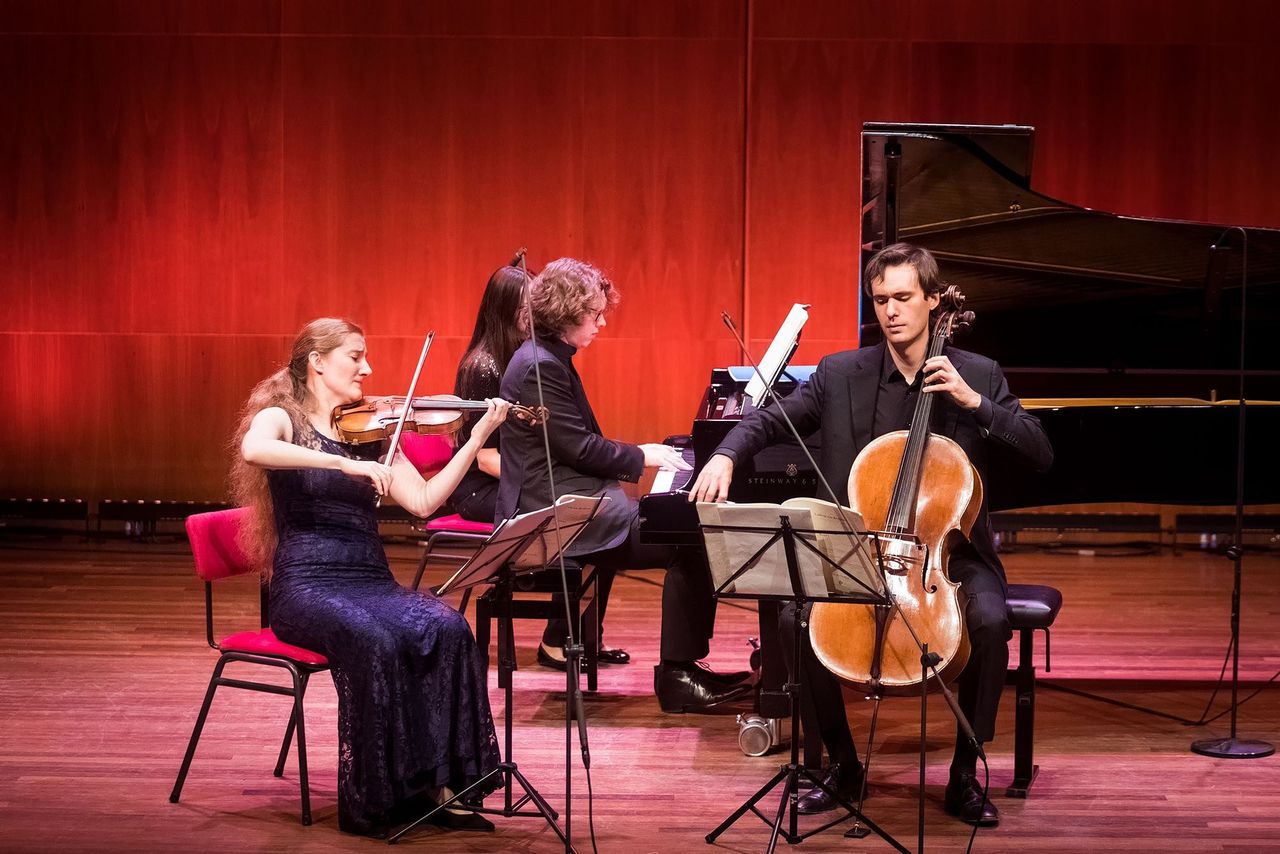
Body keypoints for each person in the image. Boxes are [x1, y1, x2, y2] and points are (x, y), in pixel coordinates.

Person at [689, 243, 1053, 826]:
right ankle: (843, 767)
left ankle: (965, 773)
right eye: (881, 299)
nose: (891, 311)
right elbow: (767, 418)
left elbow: (1039, 450)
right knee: (794, 619)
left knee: (987, 621)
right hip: (860, 549)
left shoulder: (977, 373)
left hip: (948, 555)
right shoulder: (841, 375)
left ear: (934, 301)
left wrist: (974, 402)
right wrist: (726, 456)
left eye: (904, 298)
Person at [231, 317, 511, 837]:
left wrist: (476, 439)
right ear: (317, 361)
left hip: (368, 578)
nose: (369, 367)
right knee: (375, 641)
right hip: (306, 585)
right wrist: (343, 466)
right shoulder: (282, 418)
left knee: (448, 629)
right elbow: (254, 449)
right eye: (355, 356)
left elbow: (424, 503)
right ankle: (377, 798)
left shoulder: (371, 428)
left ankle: (439, 785)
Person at [496, 257, 750, 712]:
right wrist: (643, 456)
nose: (602, 322)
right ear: (565, 312)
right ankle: (679, 676)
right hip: (553, 515)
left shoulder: (548, 355)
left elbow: (577, 443)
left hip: (573, 500)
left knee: (684, 528)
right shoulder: (540, 365)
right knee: (689, 538)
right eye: (595, 314)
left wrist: (640, 452)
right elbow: (579, 449)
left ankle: (685, 668)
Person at [447, 264, 529, 523]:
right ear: (506, 310)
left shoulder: (517, 356)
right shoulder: (482, 367)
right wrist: (542, 481)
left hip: (509, 481)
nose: (536, 316)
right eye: (527, 309)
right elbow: (486, 459)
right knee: (560, 508)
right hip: (479, 489)